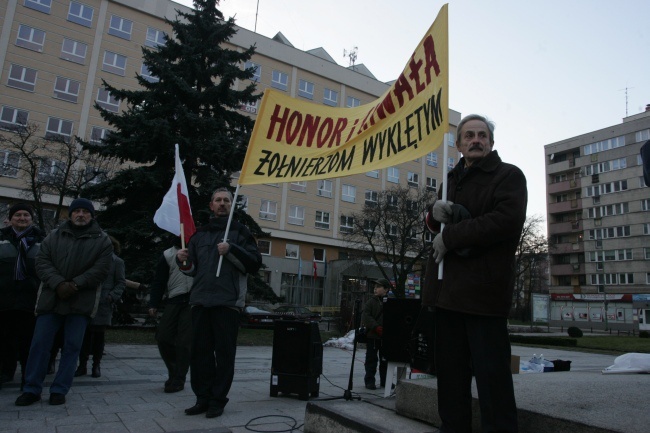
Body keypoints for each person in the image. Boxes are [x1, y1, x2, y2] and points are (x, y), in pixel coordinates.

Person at [423, 114, 527, 433]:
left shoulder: (508, 176)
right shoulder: (450, 178)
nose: (476, 140)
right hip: (447, 294)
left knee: (492, 380)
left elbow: (504, 222)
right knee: (451, 383)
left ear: (491, 142)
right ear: (458, 144)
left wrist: (450, 235)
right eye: (468, 136)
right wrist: (431, 217)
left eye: (482, 135)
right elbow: (439, 228)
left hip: (483, 295)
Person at [15, 198, 113, 406]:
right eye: (76, 211)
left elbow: (101, 269)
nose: (80, 215)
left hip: (80, 303)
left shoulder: (102, 240)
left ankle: (59, 389)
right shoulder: (54, 235)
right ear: (70, 215)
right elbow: (42, 262)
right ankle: (31, 388)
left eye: (85, 212)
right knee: (40, 345)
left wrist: (75, 284)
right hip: (51, 299)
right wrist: (59, 283)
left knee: (71, 347)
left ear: (91, 216)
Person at [176, 188, 262, 418]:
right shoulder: (199, 235)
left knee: (224, 355)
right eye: (218, 200)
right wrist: (182, 262)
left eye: (226, 200)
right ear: (211, 205)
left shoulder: (240, 232)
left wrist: (232, 249)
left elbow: (254, 263)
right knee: (199, 354)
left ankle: (217, 400)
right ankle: (202, 398)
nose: (222, 203)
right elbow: (192, 270)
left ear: (232, 205)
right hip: (200, 302)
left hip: (227, 303)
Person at [0, 204, 46, 390]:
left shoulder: (42, 240)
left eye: (26, 215)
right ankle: (4, 373)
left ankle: (28, 377)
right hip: (4, 300)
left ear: (31, 219)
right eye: (17, 215)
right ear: (10, 219)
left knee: (29, 343)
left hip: (31, 301)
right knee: (4, 341)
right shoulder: (1, 237)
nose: (22, 218)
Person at [75, 236, 125, 378]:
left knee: (98, 337)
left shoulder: (117, 262)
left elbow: (120, 282)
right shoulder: (90, 259)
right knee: (84, 336)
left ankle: (96, 365)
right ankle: (82, 365)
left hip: (104, 303)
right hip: (86, 302)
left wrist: (111, 296)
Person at [148, 238, 193, 393]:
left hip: (193, 301)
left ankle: (179, 378)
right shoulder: (167, 254)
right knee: (163, 337)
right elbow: (159, 280)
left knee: (184, 342)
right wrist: (153, 303)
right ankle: (173, 371)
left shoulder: (198, 250)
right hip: (174, 299)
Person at [361, 278, 390, 390]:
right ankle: (369, 381)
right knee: (371, 360)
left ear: (386, 289)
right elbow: (366, 316)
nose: (375, 289)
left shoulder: (390, 302)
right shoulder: (371, 302)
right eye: (375, 287)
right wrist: (376, 327)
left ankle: (385, 381)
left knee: (385, 360)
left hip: (385, 337)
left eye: (378, 287)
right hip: (373, 336)